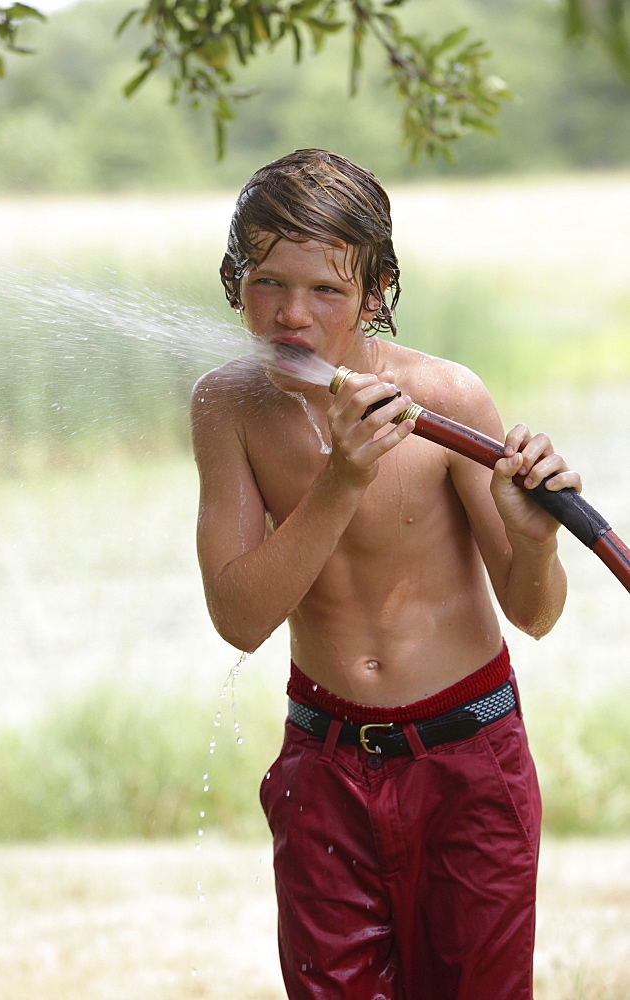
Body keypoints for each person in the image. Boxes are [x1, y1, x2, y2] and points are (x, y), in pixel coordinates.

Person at [190, 149, 581, 1000]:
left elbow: (537, 614)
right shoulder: (228, 407)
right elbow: (239, 618)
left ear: (377, 293)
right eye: (267, 283)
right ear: (235, 281)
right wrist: (342, 480)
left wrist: (537, 539)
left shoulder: (449, 400)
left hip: (468, 760)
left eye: (327, 290)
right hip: (325, 766)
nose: (291, 314)